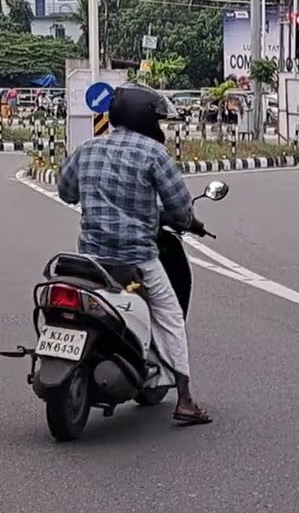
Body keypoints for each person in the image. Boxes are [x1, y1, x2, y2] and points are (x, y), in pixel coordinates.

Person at [56, 82, 211, 426]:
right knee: (170, 317)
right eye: (156, 120)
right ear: (144, 118)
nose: (159, 126)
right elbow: (180, 209)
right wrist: (189, 222)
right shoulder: (154, 154)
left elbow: (65, 192)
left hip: (91, 260)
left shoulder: (88, 148)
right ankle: (185, 399)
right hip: (137, 259)